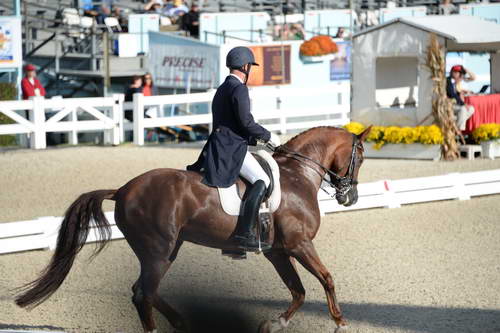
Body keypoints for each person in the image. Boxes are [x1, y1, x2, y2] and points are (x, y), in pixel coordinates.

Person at [187, 46, 280, 251]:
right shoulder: (239, 88)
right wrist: (268, 135)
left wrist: (253, 140)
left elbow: (231, 122)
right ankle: (244, 233)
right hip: (231, 149)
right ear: (245, 66)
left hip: (219, 144)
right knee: (262, 180)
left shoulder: (223, 87)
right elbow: (246, 122)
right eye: (250, 67)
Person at [446, 64, 476, 131]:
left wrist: (466, 70)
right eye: (458, 73)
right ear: (453, 72)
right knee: (463, 109)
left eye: (460, 73)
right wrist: (463, 104)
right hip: (450, 104)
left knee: (471, 109)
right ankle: (459, 130)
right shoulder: (448, 81)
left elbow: (473, 78)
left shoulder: (459, 80)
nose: (460, 75)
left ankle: (456, 127)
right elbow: (452, 94)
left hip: (457, 104)